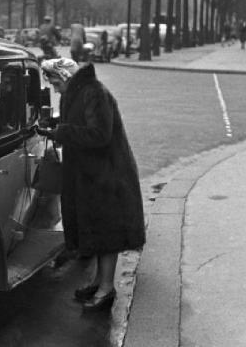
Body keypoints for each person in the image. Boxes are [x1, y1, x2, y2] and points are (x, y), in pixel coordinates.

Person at [36, 58, 146, 311]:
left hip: (106, 176)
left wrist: (62, 131)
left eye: (54, 82)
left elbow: (99, 135)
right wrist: (55, 127)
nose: (53, 88)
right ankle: (99, 281)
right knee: (96, 231)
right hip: (91, 175)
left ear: (64, 76)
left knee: (107, 233)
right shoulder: (78, 93)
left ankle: (107, 289)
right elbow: (79, 126)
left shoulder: (93, 93)